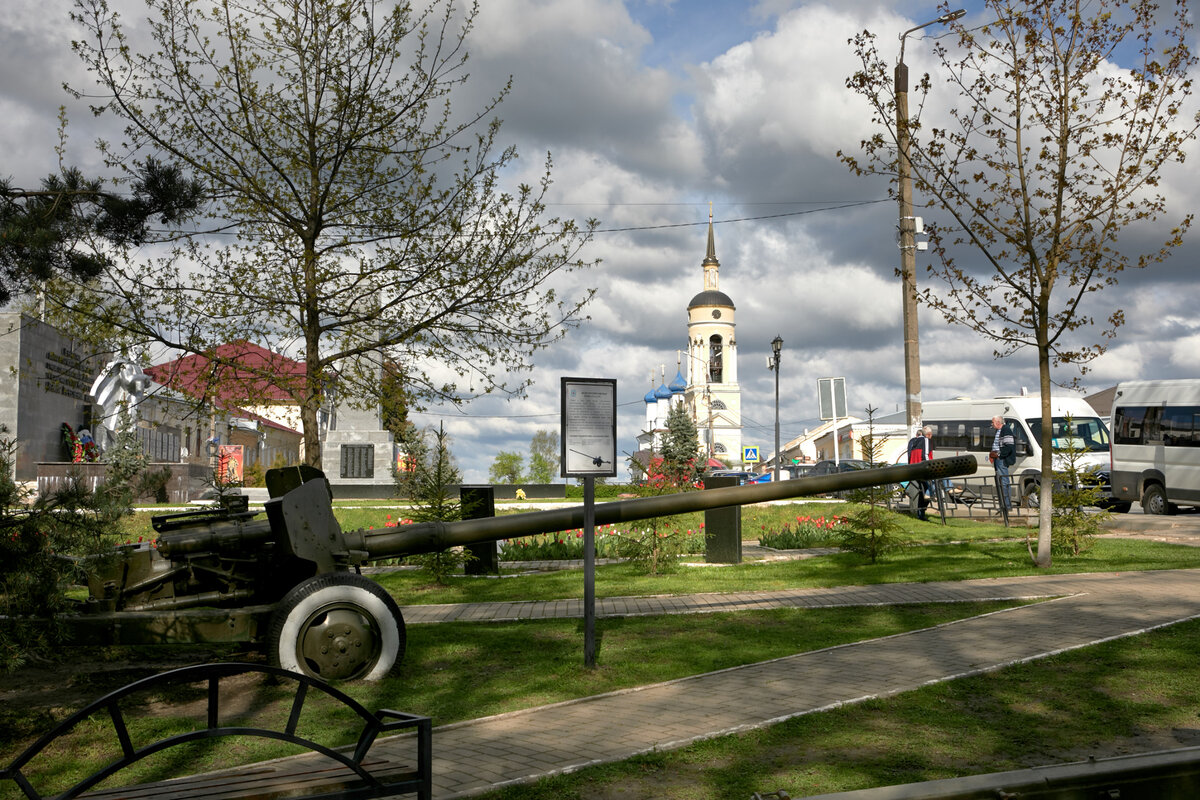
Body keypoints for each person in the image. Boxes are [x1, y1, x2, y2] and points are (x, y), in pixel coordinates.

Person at [906, 426, 933, 519]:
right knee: (930, 488)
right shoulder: (926, 441)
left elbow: (909, 455)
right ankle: (922, 511)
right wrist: (930, 466)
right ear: (929, 434)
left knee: (924, 490)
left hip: (913, 469)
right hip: (923, 469)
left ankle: (920, 514)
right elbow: (925, 455)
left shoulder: (912, 441)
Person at [990, 415, 1016, 511]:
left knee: (1004, 482)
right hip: (998, 459)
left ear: (998, 422)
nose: (992, 424)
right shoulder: (999, 431)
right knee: (1000, 482)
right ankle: (1003, 505)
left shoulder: (1006, 430)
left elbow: (1009, 446)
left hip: (1002, 460)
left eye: (992, 422)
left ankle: (1007, 506)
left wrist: (999, 455)